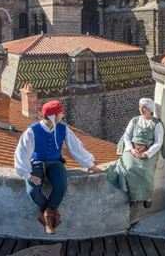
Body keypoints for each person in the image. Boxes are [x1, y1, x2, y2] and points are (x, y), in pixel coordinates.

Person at [14, 100, 104, 235]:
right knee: (33, 191)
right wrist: (27, 174)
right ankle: (50, 214)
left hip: (56, 162)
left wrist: (90, 164)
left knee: (61, 186)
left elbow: (75, 147)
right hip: (37, 162)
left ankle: (46, 216)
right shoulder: (32, 131)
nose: (62, 115)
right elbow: (22, 151)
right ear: (53, 116)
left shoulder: (63, 128)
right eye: (60, 113)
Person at [106, 98, 165, 208]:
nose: (141, 110)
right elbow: (127, 136)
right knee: (130, 167)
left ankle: (147, 196)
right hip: (132, 149)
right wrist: (132, 149)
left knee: (146, 170)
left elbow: (158, 142)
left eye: (144, 108)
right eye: (140, 107)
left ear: (150, 109)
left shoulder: (156, 124)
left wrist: (146, 153)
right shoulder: (134, 120)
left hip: (148, 151)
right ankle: (133, 196)